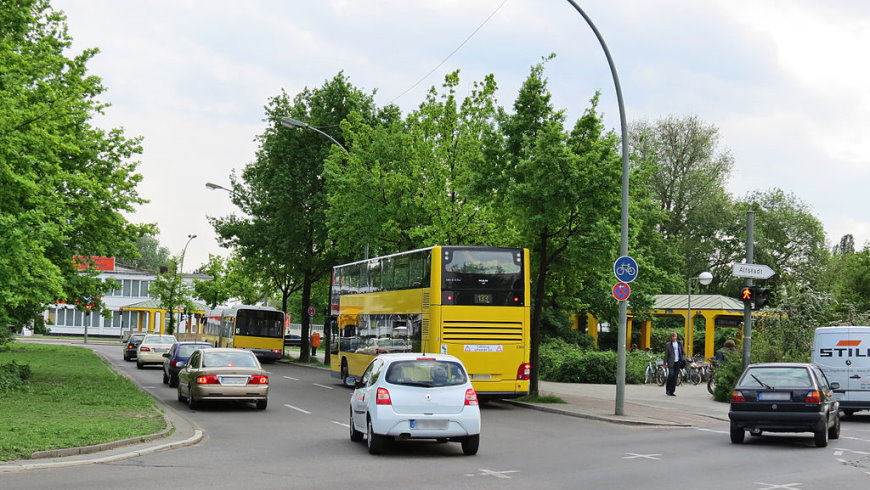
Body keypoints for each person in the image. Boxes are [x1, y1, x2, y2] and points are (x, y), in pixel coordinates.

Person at [663, 332, 685, 396]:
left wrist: (683, 359)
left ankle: (672, 391)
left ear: (676, 337)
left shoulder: (680, 343)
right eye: (672, 336)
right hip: (671, 362)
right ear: (671, 337)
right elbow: (666, 355)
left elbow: (682, 352)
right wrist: (664, 363)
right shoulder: (668, 344)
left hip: (678, 362)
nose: (674, 337)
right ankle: (668, 389)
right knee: (671, 375)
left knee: (675, 377)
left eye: (675, 336)